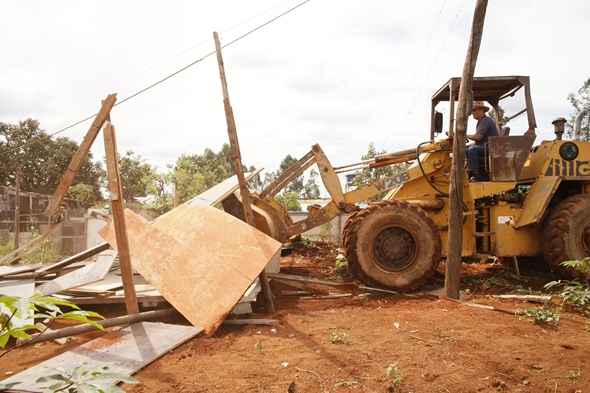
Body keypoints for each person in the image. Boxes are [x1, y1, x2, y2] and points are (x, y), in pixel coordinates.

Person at [466, 101, 499, 181]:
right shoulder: (481, 121)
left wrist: (464, 135)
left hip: (491, 148)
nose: (473, 113)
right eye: (472, 111)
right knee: (465, 149)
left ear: (481, 110)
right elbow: (479, 140)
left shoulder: (486, 121)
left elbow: (478, 137)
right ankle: (470, 172)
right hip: (485, 146)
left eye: (474, 110)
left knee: (472, 150)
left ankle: (477, 176)